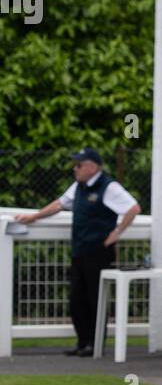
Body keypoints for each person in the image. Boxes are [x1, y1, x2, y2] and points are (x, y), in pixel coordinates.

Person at [15, 147, 141, 356]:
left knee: (95, 298)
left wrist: (117, 232)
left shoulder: (109, 187)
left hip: (98, 251)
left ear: (92, 167)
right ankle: (82, 342)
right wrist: (34, 217)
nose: (75, 169)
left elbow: (133, 208)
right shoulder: (79, 186)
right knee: (77, 298)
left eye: (79, 165)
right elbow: (59, 204)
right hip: (80, 249)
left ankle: (95, 343)